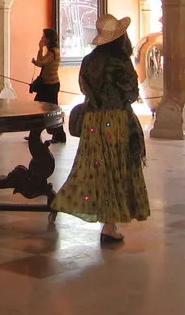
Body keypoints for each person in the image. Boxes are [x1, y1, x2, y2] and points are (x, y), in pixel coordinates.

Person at [52, 14, 149, 245]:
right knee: (116, 168)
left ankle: (109, 222)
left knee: (98, 168)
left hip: (93, 121)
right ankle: (110, 225)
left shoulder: (88, 61)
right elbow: (132, 93)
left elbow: (84, 87)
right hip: (116, 121)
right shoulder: (120, 61)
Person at [32, 28, 67, 143]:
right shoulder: (52, 51)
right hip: (49, 84)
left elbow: (41, 62)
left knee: (47, 109)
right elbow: (40, 62)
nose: (42, 39)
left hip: (50, 85)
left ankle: (54, 134)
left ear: (48, 39)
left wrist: (40, 48)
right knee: (50, 109)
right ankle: (57, 134)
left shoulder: (53, 52)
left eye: (43, 37)